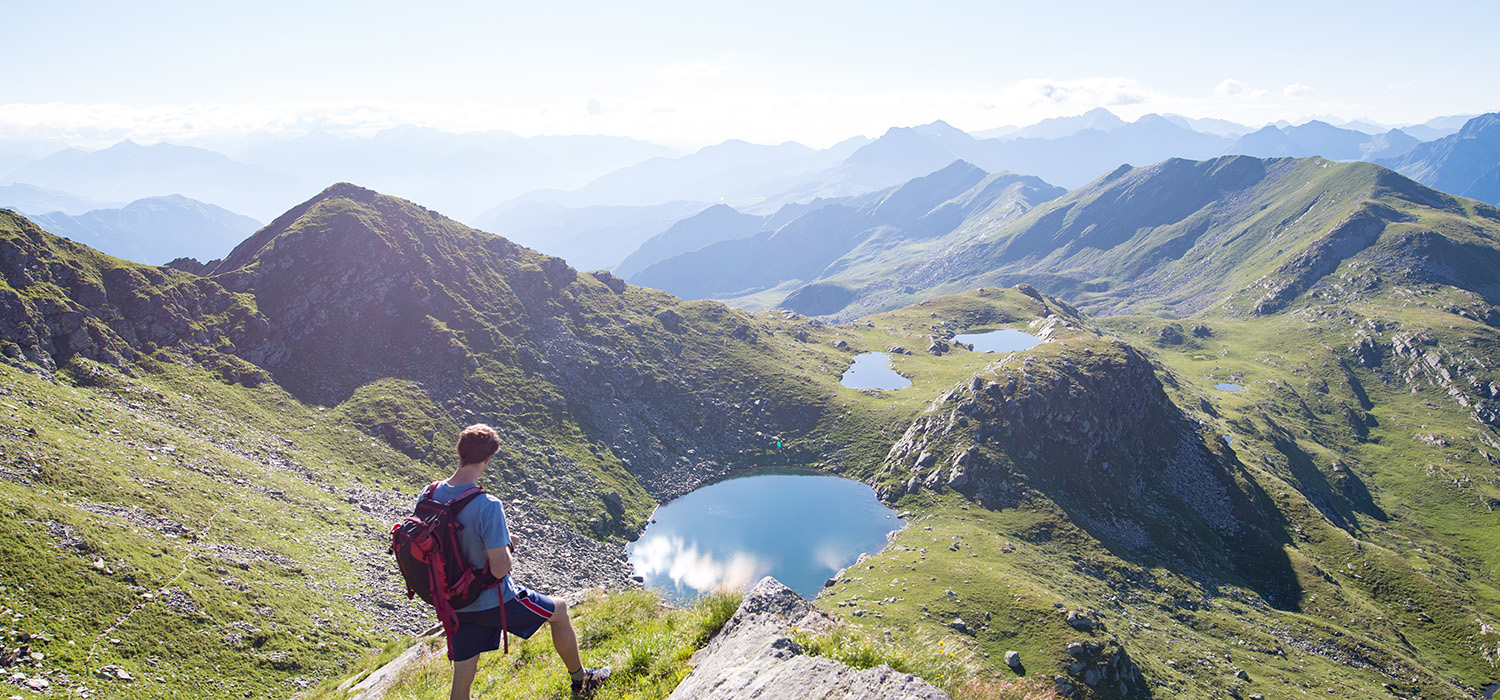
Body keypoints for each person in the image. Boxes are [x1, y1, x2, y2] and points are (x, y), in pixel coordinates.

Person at [427, 423, 611, 700]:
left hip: (456, 602)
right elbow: (500, 569)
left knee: (462, 681)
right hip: (491, 600)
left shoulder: (429, 494)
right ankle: (581, 681)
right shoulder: (488, 505)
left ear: (459, 451)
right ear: (489, 459)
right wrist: (508, 546)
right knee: (559, 611)